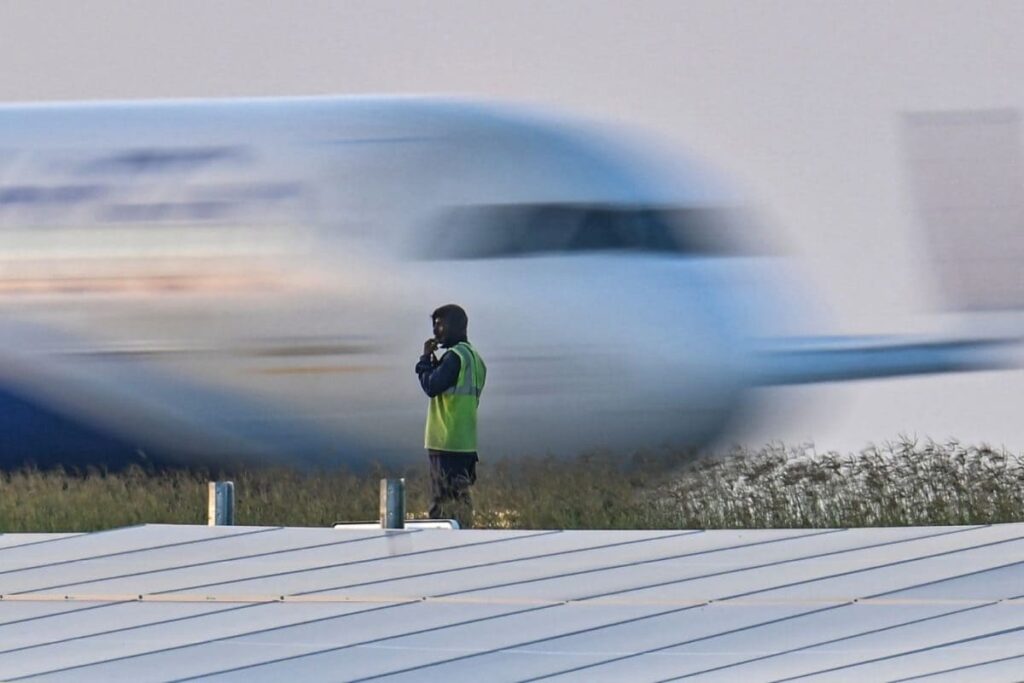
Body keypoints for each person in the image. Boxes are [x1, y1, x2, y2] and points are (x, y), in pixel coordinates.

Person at [415, 304, 486, 528]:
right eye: (434, 325)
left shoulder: (454, 357)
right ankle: (464, 543)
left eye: (440, 324)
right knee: (461, 501)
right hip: (466, 442)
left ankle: (439, 552)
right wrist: (437, 364)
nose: (436, 331)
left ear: (454, 326)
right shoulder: (475, 358)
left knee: (442, 505)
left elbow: (432, 386)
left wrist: (425, 360)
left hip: (445, 440)